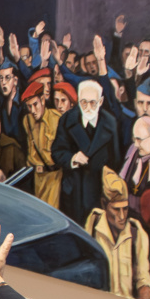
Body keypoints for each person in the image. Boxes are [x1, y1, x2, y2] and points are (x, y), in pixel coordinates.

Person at [50, 79, 118, 226]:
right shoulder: (66, 120)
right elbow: (56, 152)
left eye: (93, 103)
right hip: (74, 192)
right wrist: (73, 158)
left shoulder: (110, 123)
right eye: (84, 102)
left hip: (99, 191)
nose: (88, 107)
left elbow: (116, 160)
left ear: (100, 102)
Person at [83, 172, 150, 299]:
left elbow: (143, 280)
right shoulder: (92, 227)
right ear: (104, 204)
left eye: (125, 209)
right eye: (116, 209)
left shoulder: (136, 233)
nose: (122, 216)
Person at [20, 79, 61, 209]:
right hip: (37, 178)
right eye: (29, 106)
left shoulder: (56, 120)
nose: (32, 110)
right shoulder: (27, 121)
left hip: (53, 177)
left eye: (35, 104)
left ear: (42, 100)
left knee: (51, 212)